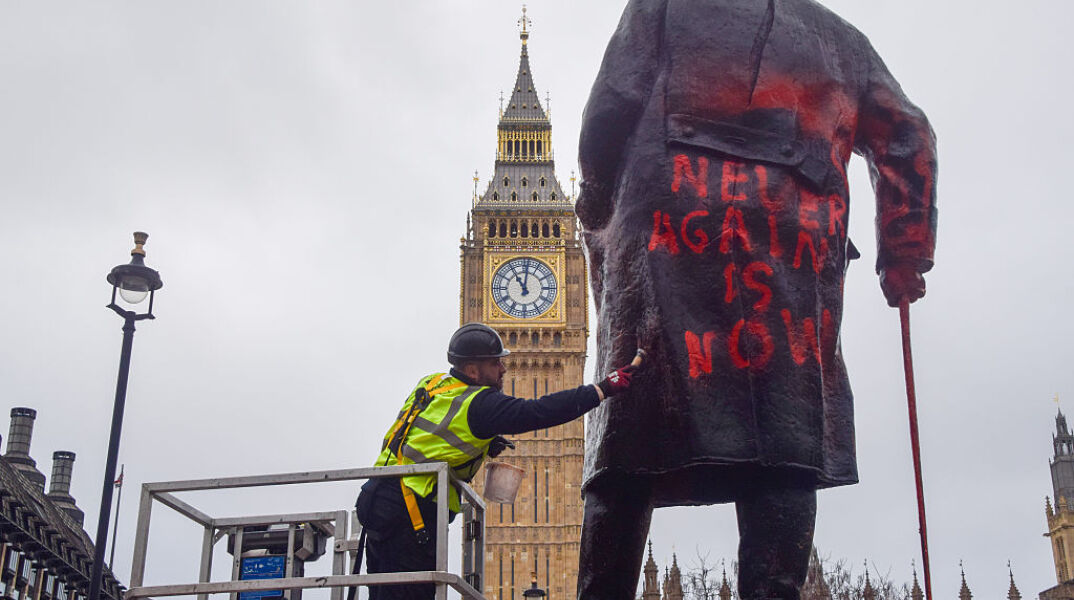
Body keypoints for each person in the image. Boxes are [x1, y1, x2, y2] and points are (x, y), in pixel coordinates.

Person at [575, 1, 937, 599]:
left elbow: (608, 110)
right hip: (792, 244)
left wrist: (596, 201)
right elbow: (909, 136)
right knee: (785, 436)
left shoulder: (663, 6)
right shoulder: (841, 41)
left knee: (629, 437)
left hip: (666, 229)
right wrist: (903, 252)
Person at [355, 322, 638, 600]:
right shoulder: (480, 404)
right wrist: (601, 390)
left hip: (377, 499)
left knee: (382, 590)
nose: (504, 369)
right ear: (472, 370)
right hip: (412, 511)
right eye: (495, 364)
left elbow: (427, 431)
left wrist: (486, 440)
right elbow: (538, 412)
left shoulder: (434, 383)